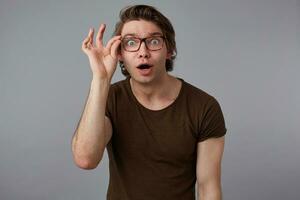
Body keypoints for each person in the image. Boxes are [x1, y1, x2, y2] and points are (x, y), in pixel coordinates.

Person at [71, 4, 227, 200]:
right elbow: (86, 159)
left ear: (169, 50)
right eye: (130, 43)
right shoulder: (109, 98)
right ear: (120, 53)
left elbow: (208, 188)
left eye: (153, 41)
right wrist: (101, 80)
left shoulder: (204, 107)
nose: (143, 51)